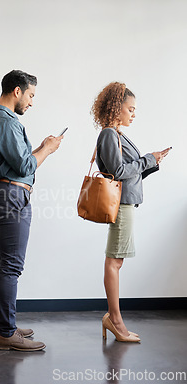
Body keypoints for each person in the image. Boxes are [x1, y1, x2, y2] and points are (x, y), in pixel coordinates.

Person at [0, 70, 62, 351]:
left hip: (6, 193)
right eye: (30, 95)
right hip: (12, 195)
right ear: (17, 91)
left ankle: (0, 324)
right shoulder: (4, 120)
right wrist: (48, 149)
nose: (31, 102)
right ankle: (6, 332)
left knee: (2, 261)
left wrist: (40, 147)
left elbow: (22, 160)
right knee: (11, 265)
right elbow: (26, 167)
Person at [91, 82, 170, 342]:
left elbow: (129, 173)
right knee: (114, 261)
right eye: (131, 109)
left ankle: (112, 318)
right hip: (121, 205)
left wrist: (152, 162)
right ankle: (115, 320)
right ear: (117, 107)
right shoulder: (108, 135)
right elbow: (119, 173)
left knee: (116, 261)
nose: (133, 114)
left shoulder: (117, 135)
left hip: (126, 203)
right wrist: (148, 158)